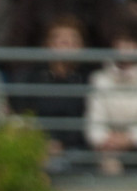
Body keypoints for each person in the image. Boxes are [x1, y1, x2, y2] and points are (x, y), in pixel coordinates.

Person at [10, 16, 89, 162]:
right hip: (36, 147)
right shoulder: (29, 78)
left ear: (81, 46)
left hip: (76, 149)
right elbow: (22, 115)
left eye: (73, 39)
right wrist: (42, 143)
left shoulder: (89, 80)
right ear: (47, 45)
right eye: (59, 38)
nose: (66, 43)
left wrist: (62, 144)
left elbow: (89, 122)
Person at [85, 19, 137, 172]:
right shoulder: (99, 79)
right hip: (108, 147)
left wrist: (130, 138)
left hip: (136, 143)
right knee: (109, 165)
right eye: (122, 43)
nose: (127, 49)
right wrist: (104, 140)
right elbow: (94, 119)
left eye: (132, 44)